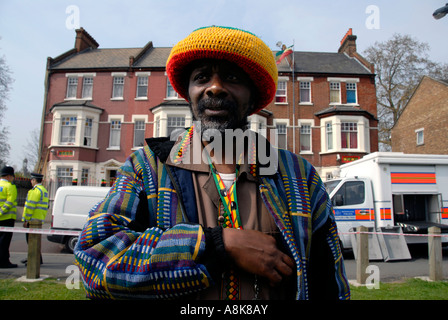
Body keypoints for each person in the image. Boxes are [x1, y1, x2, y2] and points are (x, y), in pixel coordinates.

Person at [74, 26, 350, 300]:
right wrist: (218, 244)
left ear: (253, 95)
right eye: (202, 77)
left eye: (231, 77)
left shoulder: (299, 177)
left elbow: (329, 286)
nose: (215, 87)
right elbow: (94, 260)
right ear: (189, 92)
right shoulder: (146, 168)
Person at [21, 173, 49, 265]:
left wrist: (26, 219)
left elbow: (30, 206)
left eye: (31, 180)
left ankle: (33, 259)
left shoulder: (34, 191)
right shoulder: (44, 190)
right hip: (39, 219)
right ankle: (35, 257)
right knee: (35, 240)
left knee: (31, 241)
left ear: (34, 180)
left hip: (32, 220)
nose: (31, 182)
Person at [0, 166, 18, 268]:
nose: (13, 178)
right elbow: (10, 202)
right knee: (5, 242)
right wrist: (1, 212)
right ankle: (3, 262)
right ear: (8, 176)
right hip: (7, 218)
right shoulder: (10, 186)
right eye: (12, 176)